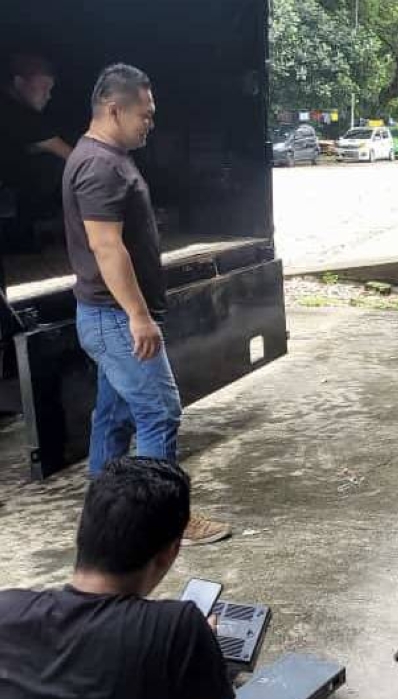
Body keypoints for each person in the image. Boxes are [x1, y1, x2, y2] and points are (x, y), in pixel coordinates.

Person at [0, 457, 273, 699]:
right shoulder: (176, 627)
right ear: (171, 551)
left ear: (82, 533)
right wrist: (213, 664)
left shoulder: (7, 608)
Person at [62, 63, 228, 545]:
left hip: (106, 316)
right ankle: (164, 522)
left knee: (113, 415)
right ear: (114, 110)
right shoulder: (99, 166)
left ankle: (104, 512)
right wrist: (138, 316)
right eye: (144, 115)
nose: (150, 123)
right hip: (115, 318)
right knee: (159, 411)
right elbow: (106, 248)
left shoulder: (98, 156)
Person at [0, 53, 74, 252]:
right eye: (43, 88)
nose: (48, 95)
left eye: (50, 89)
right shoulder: (20, 117)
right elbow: (75, 158)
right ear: (19, 83)